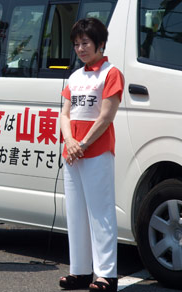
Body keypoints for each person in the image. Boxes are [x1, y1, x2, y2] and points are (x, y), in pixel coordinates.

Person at [58, 18, 124, 292]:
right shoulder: (74, 76)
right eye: (76, 44)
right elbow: (64, 113)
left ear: (100, 44)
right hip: (72, 153)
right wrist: (71, 141)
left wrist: (82, 143)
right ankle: (80, 271)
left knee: (101, 212)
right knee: (75, 213)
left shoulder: (111, 73)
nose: (80, 48)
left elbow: (106, 116)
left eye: (85, 43)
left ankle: (106, 275)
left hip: (96, 151)